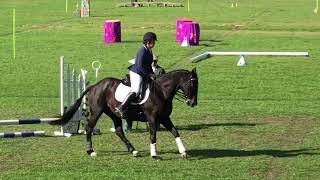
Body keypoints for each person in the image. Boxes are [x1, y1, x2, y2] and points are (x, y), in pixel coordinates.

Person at [115, 32, 157, 118]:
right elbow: (139, 65)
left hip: (143, 72)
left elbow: (148, 65)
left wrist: (152, 74)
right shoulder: (142, 50)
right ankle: (121, 107)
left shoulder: (149, 50)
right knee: (136, 90)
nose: (154, 43)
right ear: (147, 41)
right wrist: (148, 74)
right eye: (153, 41)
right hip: (136, 72)